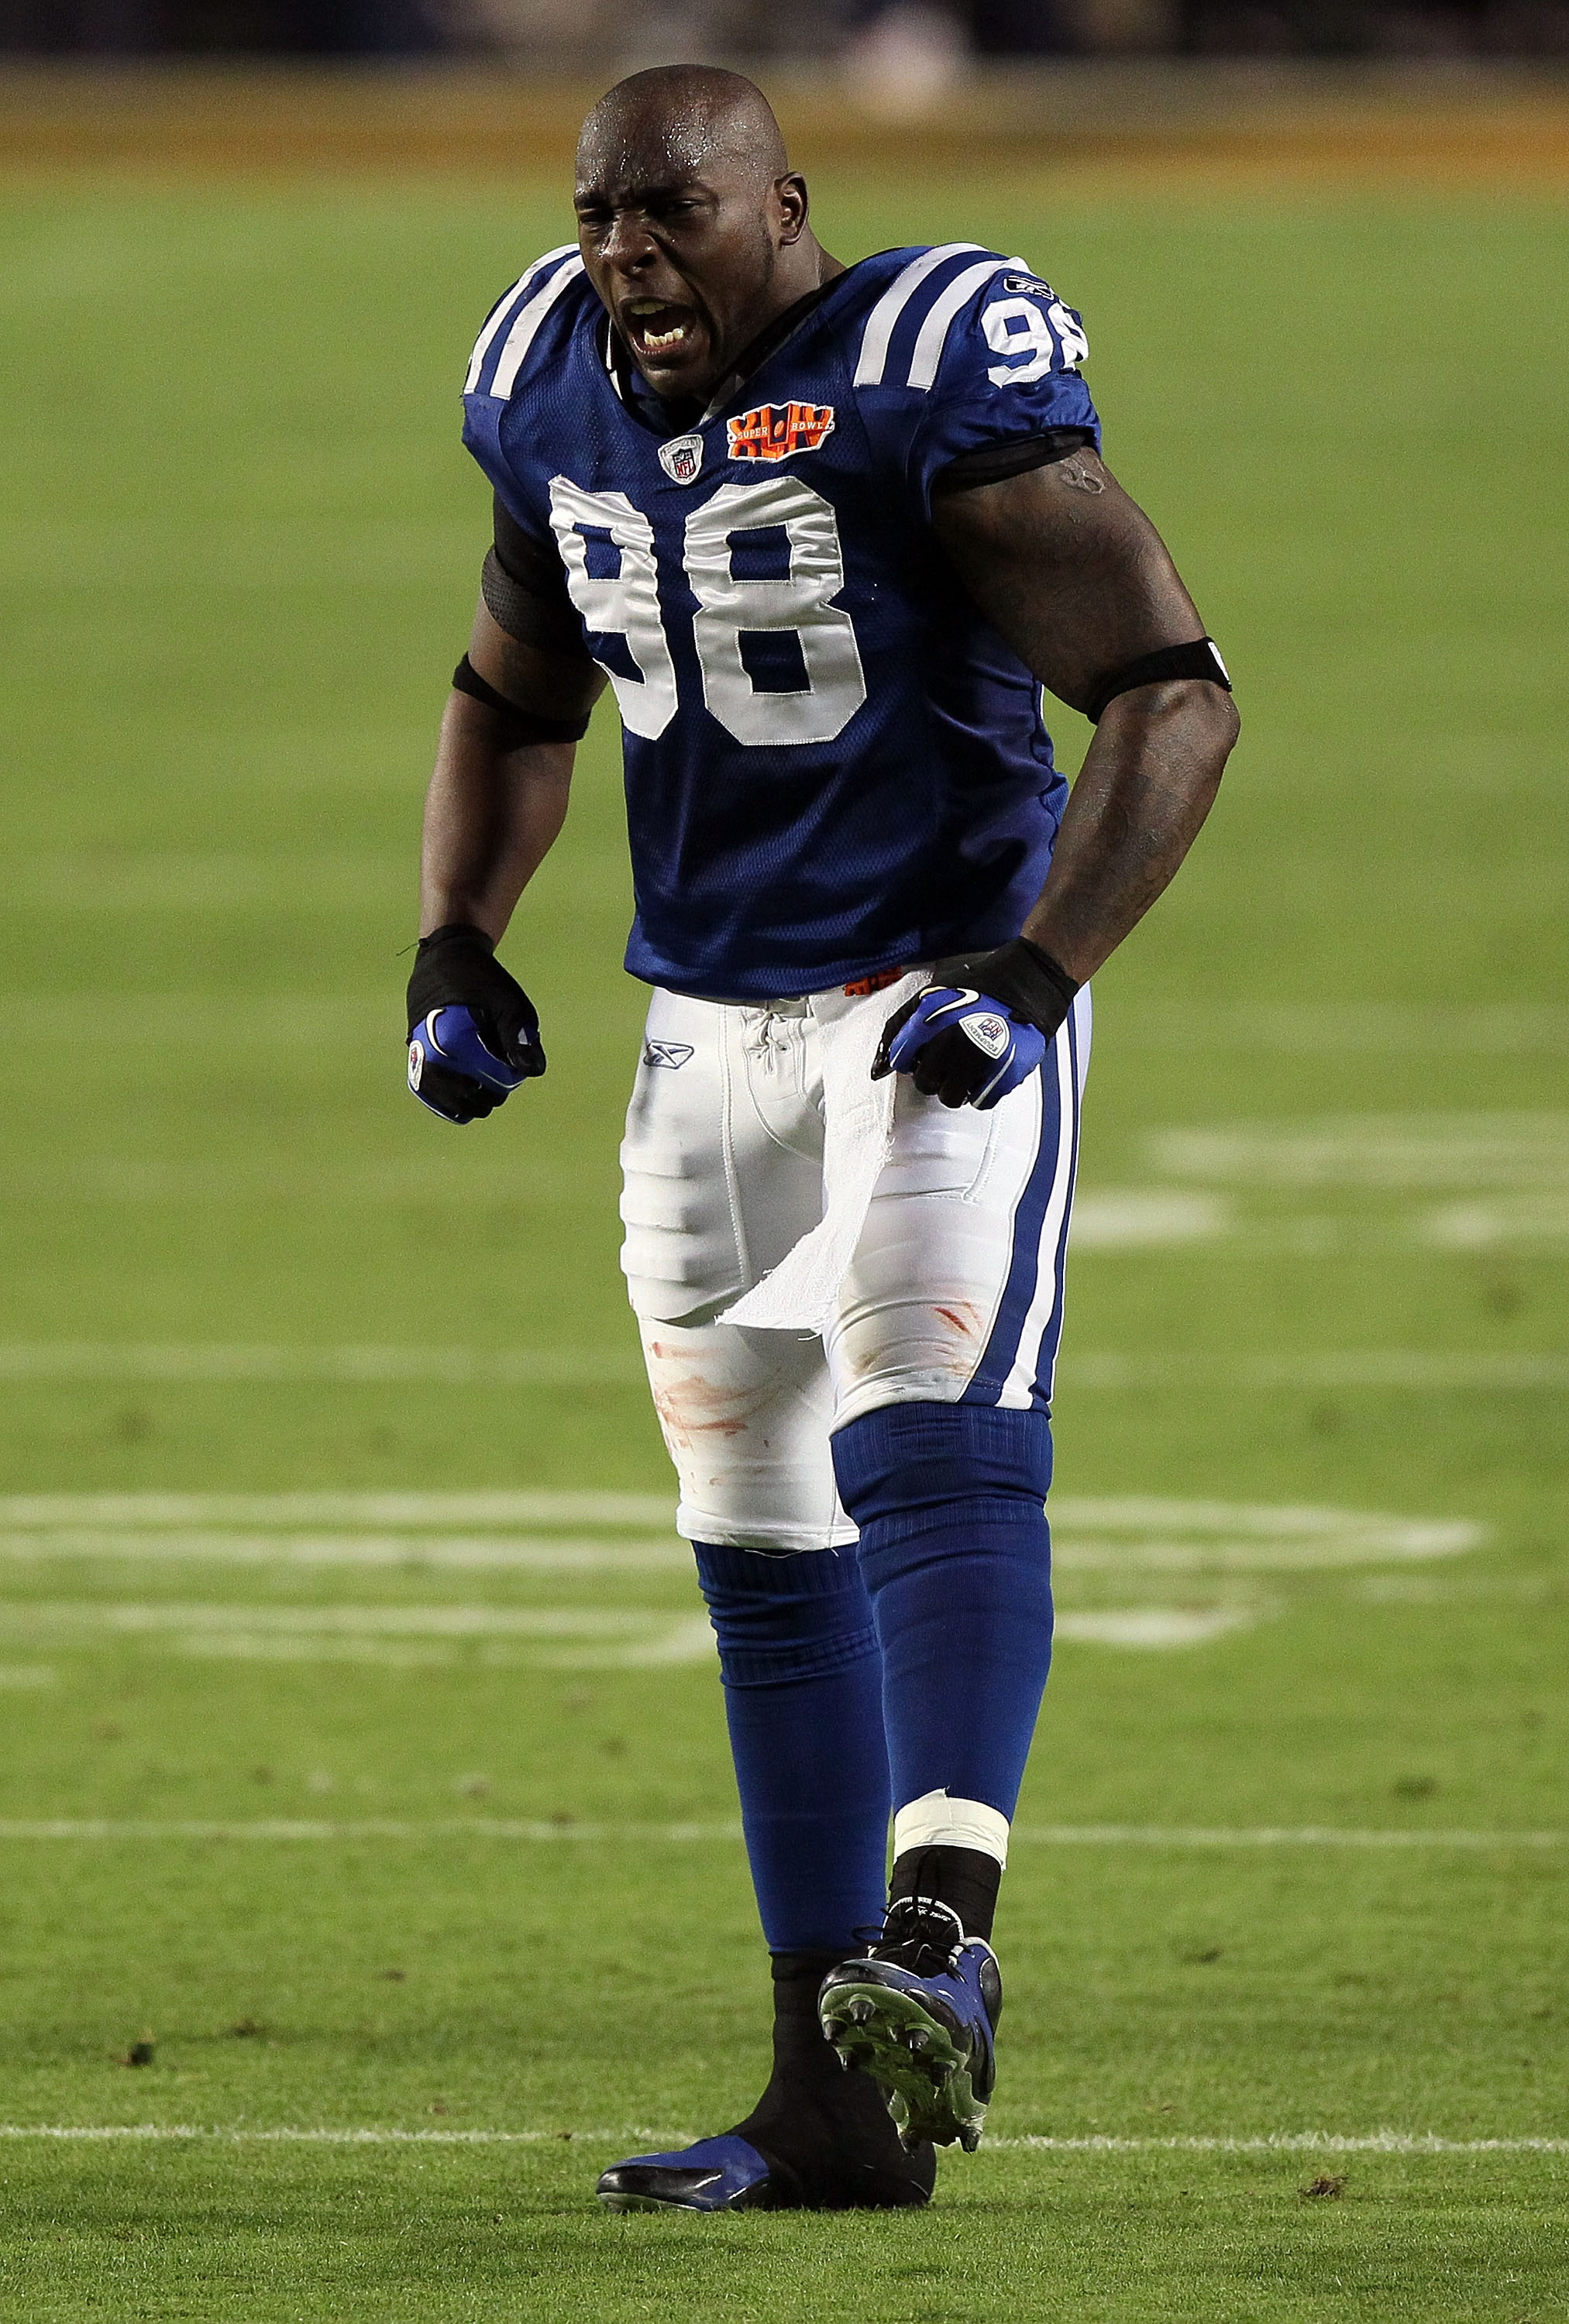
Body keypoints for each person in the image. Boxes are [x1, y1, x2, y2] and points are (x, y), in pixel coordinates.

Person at [406, 62, 1238, 2213]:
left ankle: (942, 1938)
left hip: (923, 999)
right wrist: (452, 942)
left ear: (785, 205)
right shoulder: (543, 374)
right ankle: (831, 2104)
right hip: (700, 1035)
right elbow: (511, 691)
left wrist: (1038, 973)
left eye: (670, 212)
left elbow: (1169, 685)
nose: (626, 256)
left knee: (928, 1430)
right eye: (600, 212)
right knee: (758, 1540)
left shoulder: (927, 364)